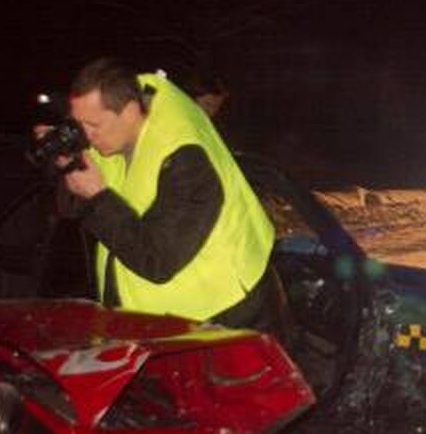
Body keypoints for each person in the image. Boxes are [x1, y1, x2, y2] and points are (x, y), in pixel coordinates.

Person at [54, 57, 281, 329]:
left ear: (129, 111)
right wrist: (66, 161)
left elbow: (157, 261)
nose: (86, 136)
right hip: (150, 318)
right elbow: (71, 207)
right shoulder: (120, 113)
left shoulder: (186, 161)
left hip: (219, 317)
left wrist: (98, 197)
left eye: (93, 125)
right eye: (79, 125)